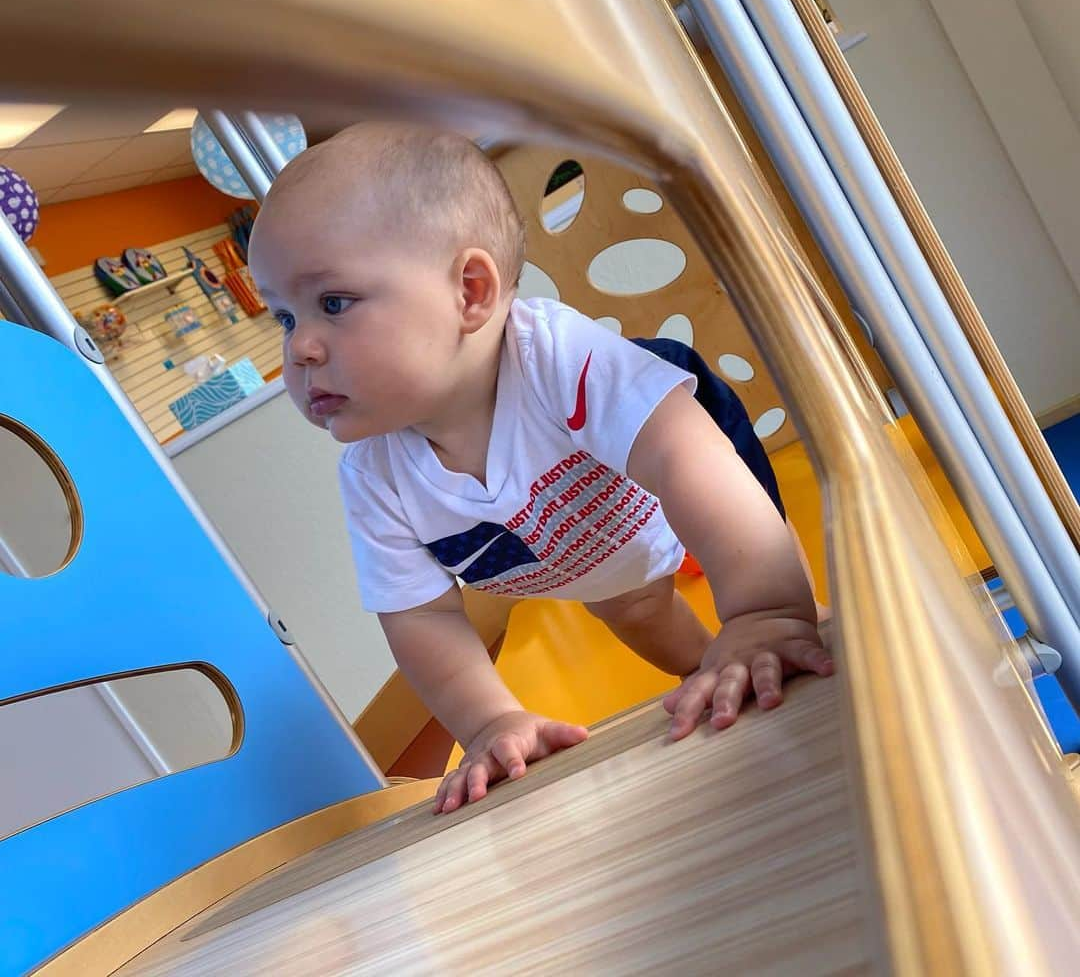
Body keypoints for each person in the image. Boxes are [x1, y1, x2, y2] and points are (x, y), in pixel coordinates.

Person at [249, 122, 833, 815]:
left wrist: (760, 614)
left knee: (762, 583)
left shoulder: (555, 358)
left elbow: (685, 460)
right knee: (639, 610)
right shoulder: (375, 479)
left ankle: (787, 626)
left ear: (469, 292)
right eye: (284, 318)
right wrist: (490, 721)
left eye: (334, 304)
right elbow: (421, 618)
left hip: (675, 459)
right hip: (591, 554)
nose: (302, 349)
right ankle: (713, 674)